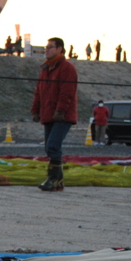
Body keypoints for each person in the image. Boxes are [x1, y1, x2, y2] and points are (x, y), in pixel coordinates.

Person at [30, 37, 77, 192]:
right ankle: (58, 181)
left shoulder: (66, 68)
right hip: (48, 114)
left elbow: (67, 92)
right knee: (49, 147)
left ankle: (53, 179)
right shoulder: (45, 69)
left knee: (53, 146)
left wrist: (61, 110)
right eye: (46, 47)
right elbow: (39, 92)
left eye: (50, 47)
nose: (47, 49)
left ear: (60, 49)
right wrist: (35, 110)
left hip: (61, 116)